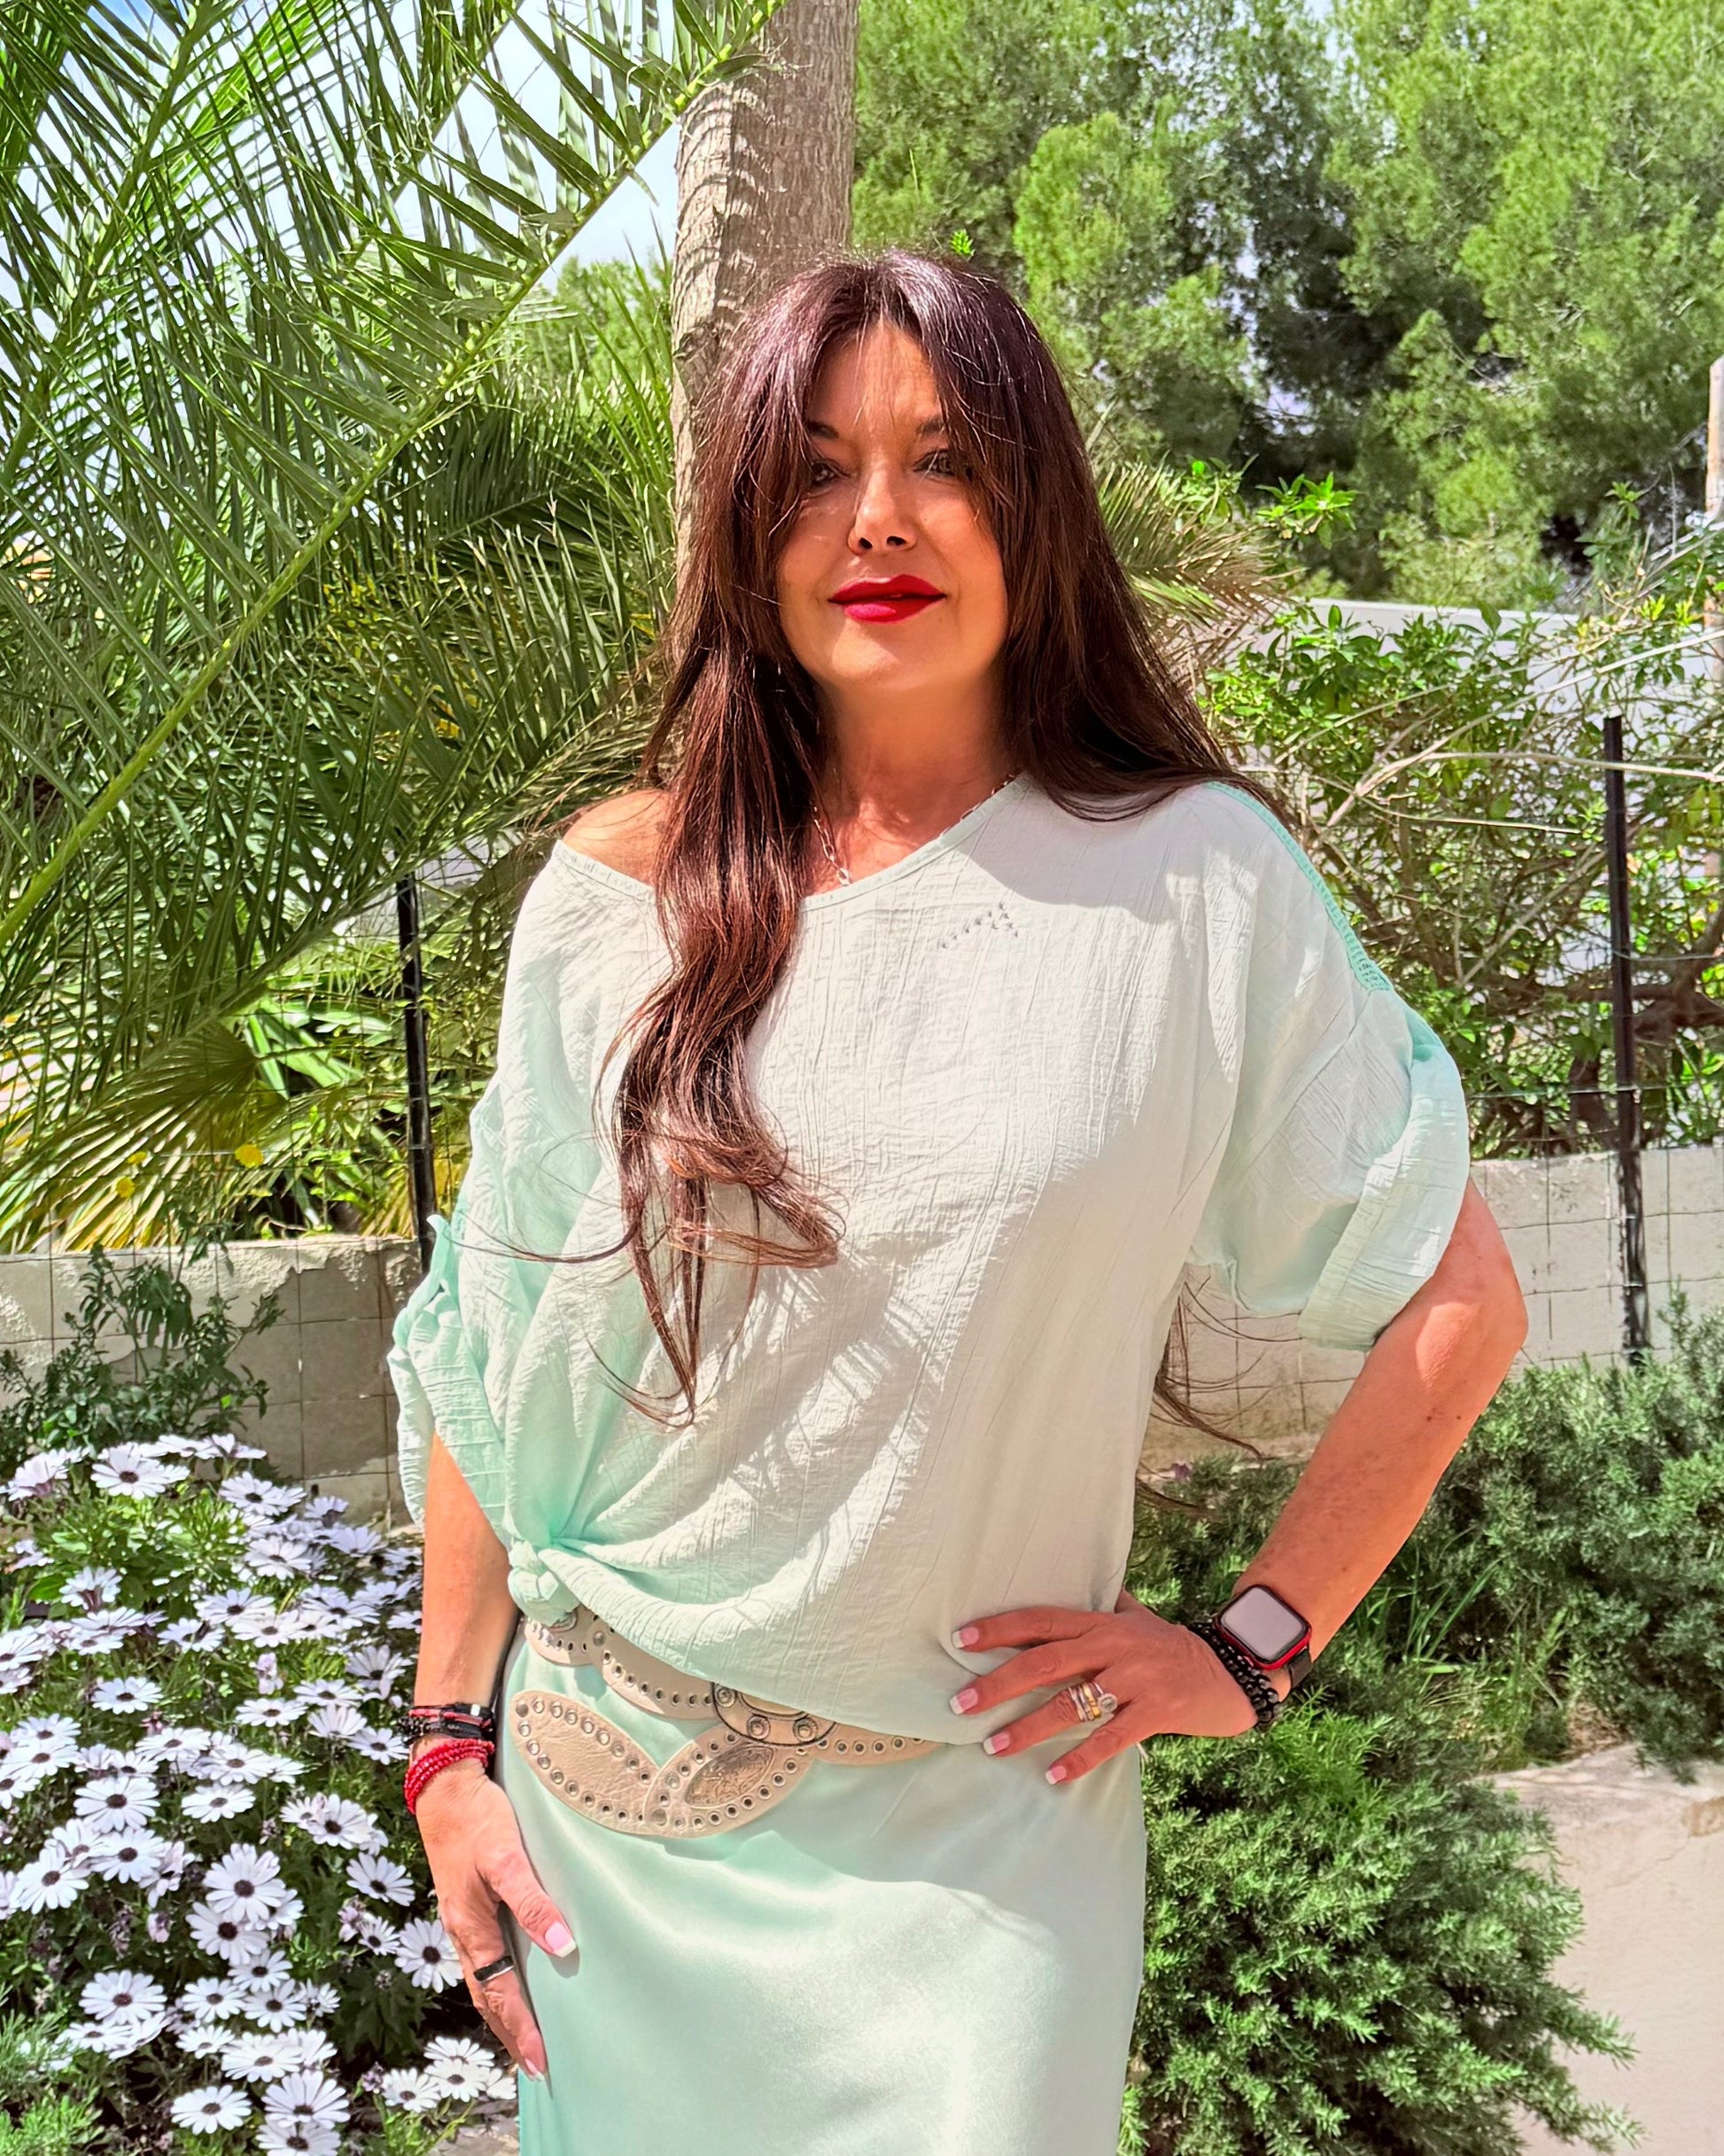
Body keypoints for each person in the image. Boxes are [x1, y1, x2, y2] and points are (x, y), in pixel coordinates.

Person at [387, 249, 1526, 2156]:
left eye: (943, 459)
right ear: (748, 534)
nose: (878, 519)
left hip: (988, 1846)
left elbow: (1460, 1296)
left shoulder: (1193, 884)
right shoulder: (611, 898)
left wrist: (1249, 1647)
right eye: (815, 471)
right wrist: (443, 1748)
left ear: (1034, 510)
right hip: (614, 1831)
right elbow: (486, 1356)